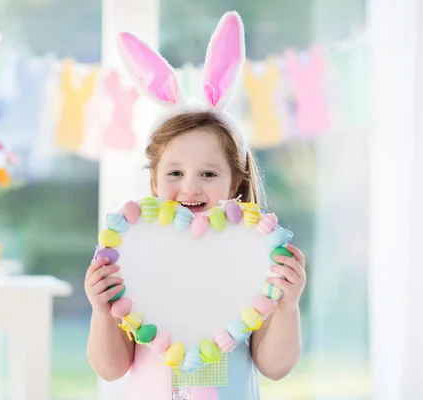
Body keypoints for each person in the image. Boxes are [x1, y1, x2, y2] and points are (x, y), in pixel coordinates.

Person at [85, 10, 306, 400]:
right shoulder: (132, 253)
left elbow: (275, 366)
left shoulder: (253, 255)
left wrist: (287, 306)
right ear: (154, 181)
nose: (190, 187)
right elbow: (111, 367)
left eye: (208, 174)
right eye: (174, 174)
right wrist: (102, 310)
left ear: (235, 181)